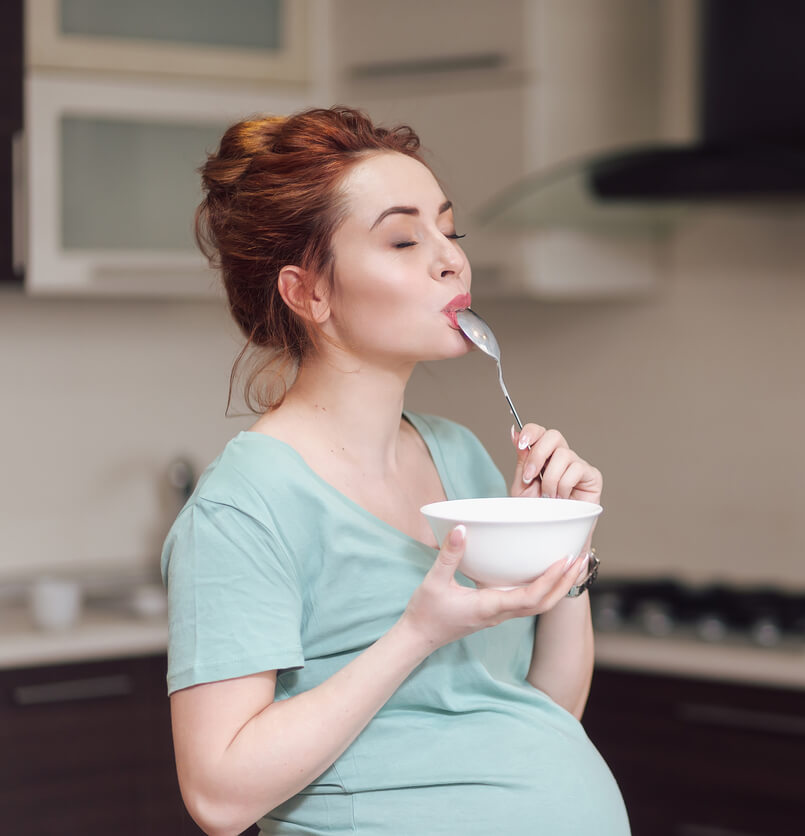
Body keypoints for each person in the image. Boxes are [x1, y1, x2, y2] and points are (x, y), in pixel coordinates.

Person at [161, 106, 630, 836]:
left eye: (450, 232)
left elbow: (545, 711)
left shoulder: (460, 456)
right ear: (308, 293)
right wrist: (417, 633)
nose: (451, 260)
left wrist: (562, 539)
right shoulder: (242, 509)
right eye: (405, 239)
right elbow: (219, 797)